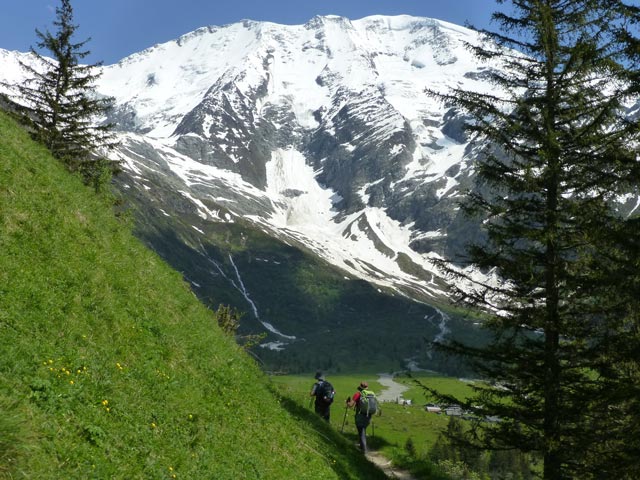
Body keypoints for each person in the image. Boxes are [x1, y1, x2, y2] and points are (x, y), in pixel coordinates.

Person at [347, 381, 374, 453]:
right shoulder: (370, 394)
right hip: (368, 415)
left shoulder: (357, 394)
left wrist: (347, 403)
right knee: (363, 430)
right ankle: (362, 447)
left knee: (361, 431)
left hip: (360, 415)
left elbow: (350, 405)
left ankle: (364, 450)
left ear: (360, 387)